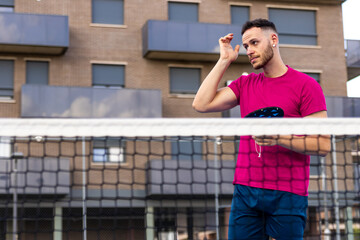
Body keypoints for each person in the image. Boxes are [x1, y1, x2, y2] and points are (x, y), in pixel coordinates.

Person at [192, 18, 331, 240]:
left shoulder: (306, 85)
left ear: (273, 40)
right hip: (246, 191)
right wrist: (224, 60)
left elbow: (323, 144)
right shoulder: (245, 84)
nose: (249, 50)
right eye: (246, 46)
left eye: (255, 43)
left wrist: (279, 137)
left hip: (288, 193)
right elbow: (201, 104)